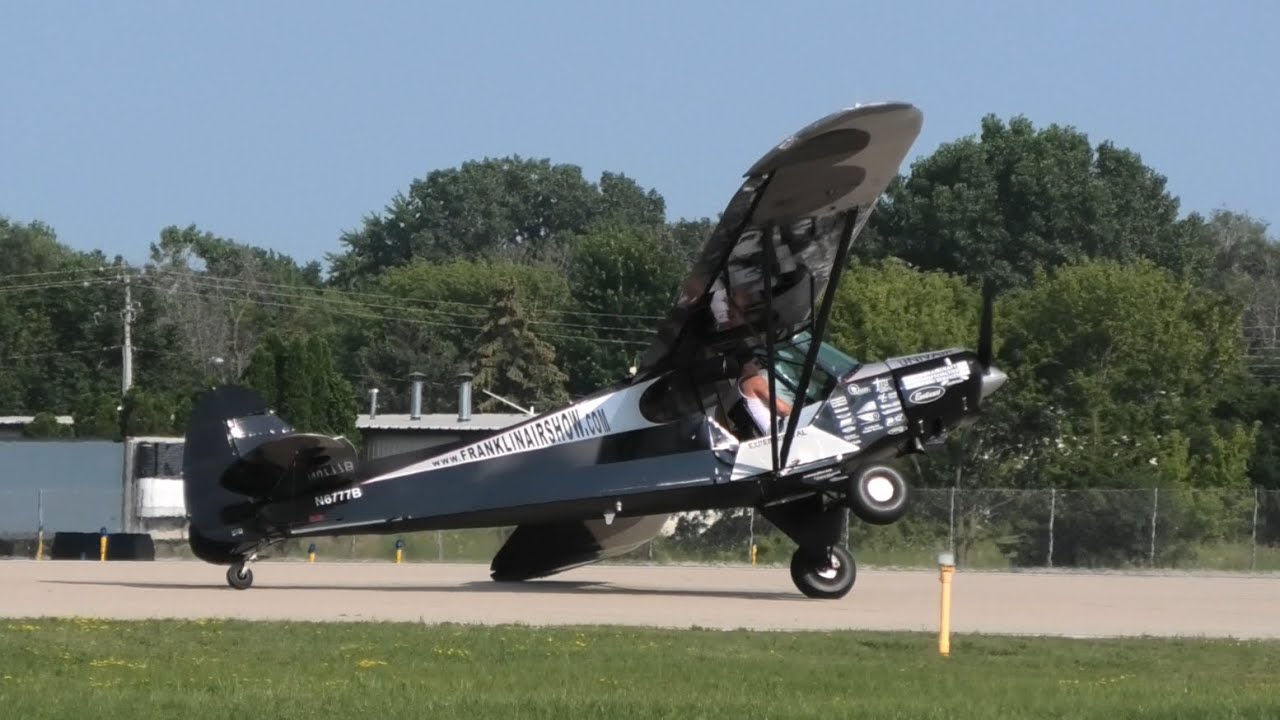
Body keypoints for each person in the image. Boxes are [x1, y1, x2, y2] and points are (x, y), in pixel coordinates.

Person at [735, 356, 791, 436]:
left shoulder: (736, 387)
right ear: (745, 366)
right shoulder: (754, 380)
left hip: (767, 435)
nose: (760, 366)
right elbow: (783, 410)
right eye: (756, 363)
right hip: (778, 429)